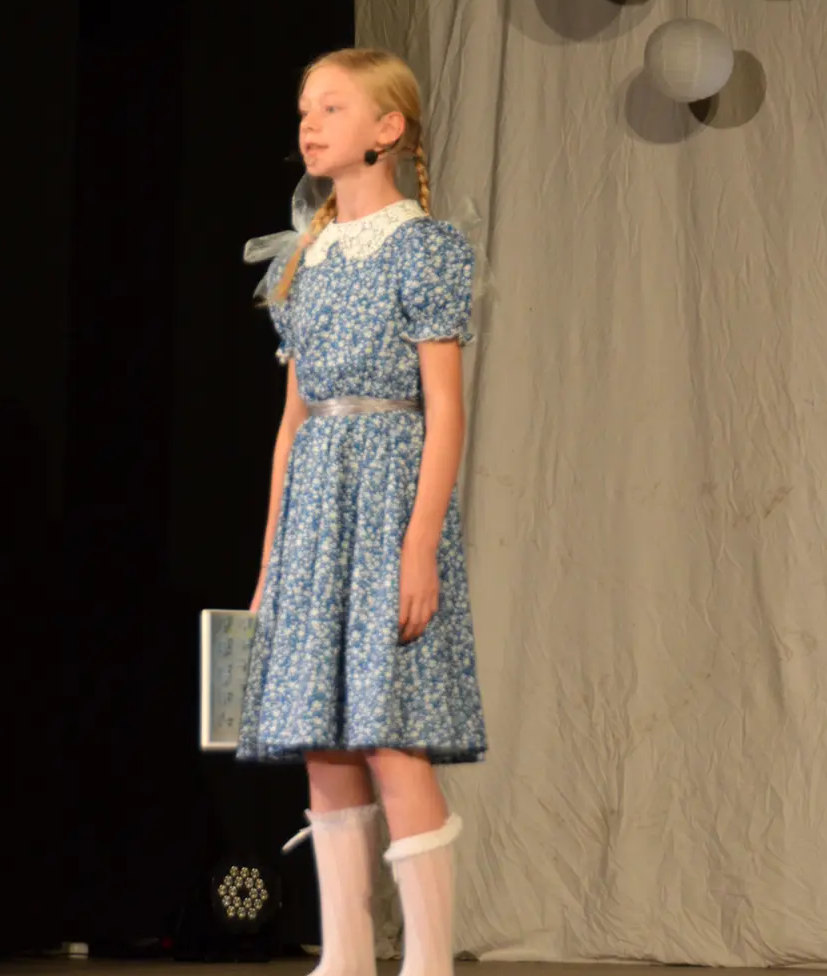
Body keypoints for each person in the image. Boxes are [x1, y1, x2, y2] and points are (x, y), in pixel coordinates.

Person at [238, 47, 487, 976]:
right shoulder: (303, 258)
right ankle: (342, 960)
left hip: (387, 499)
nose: (310, 123)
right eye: (305, 108)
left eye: (332, 108)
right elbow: (292, 422)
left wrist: (420, 545)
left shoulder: (424, 248)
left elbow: (445, 410)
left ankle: (427, 963)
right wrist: (270, 559)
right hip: (315, 507)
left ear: (387, 129)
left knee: (389, 734)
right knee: (323, 741)